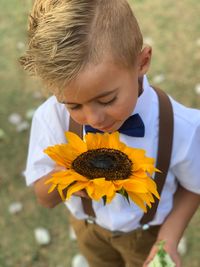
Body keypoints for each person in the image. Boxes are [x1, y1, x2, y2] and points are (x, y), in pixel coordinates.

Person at [20, 0, 200, 266]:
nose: (93, 119)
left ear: (142, 62)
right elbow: (44, 199)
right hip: (88, 229)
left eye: (106, 100)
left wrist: (168, 239)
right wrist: (65, 177)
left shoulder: (182, 126)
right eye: (74, 105)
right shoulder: (51, 117)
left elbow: (193, 186)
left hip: (148, 235)